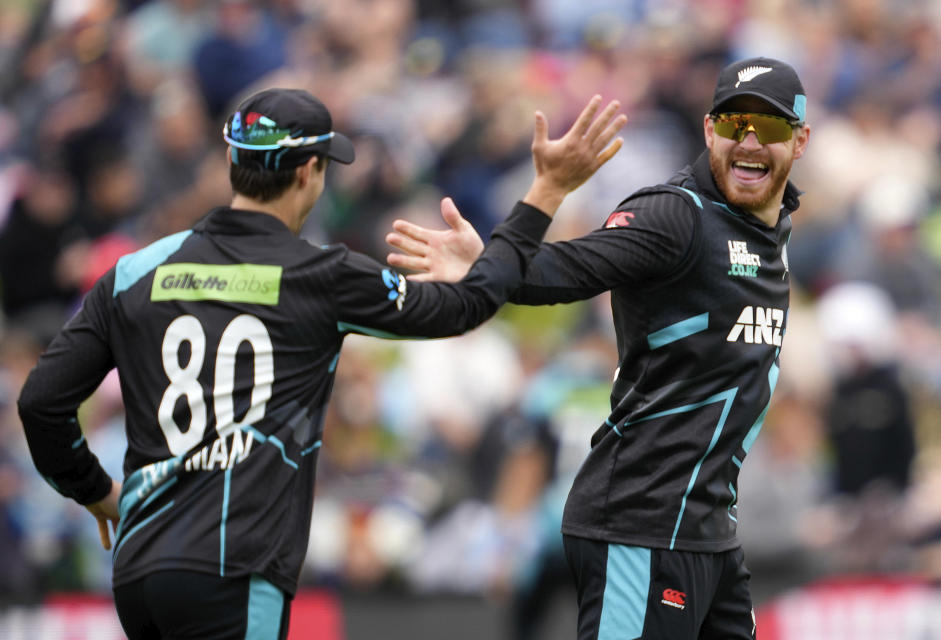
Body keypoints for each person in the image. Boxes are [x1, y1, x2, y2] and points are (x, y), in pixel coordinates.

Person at [17, 87, 626, 639]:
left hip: (139, 570)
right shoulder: (320, 276)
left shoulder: (135, 271)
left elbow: (40, 401)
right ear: (310, 171)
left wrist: (96, 492)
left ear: (234, 163)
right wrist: (543, 192)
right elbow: (467, 306)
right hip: (235, 568)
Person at [385, 57, 811, 639]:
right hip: (639, 523)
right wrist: (488, 261)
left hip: (709, 532)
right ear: (710, 130)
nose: (751, 141)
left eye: (772, 128)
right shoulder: (675, 216)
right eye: (736, 123)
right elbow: (567, 268)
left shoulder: (772, 232)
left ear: (800, 141)